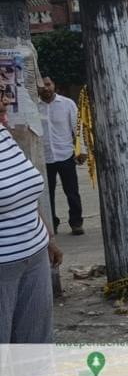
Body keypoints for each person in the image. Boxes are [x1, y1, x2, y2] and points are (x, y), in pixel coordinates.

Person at [0, 108, 63, 343]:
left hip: (35, 254)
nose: (6, 99)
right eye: (1, 93)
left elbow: (26, 192)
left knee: (36, 343)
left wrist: (49, 238)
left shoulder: (4, 135)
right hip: (4, 265)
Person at [37, 76, 85, 236]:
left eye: (48, 84)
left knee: (72, 191)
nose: (46, 88)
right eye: (42, 85)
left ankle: (76, 223)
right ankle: (52, 223)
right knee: (46, 194)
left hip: (66, 155)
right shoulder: (34, 107)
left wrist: (81, 150)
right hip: (44, 158)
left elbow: (77, 128)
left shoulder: (67, 104)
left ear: (54, 85)